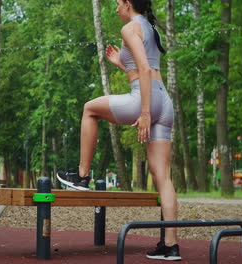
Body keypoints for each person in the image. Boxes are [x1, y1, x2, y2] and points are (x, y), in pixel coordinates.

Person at [57, 0, 181, 261]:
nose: (115, 9)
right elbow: (144, 68)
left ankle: (81, 175)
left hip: (145, 100)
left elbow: (144, 70)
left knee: (89, 109)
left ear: (127, 3)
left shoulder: (129, 28)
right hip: (164, 102)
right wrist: (120, 64)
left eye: (117, 3)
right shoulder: (149, 26)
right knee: (164, 179)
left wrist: (145, 113)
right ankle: (170, 246)